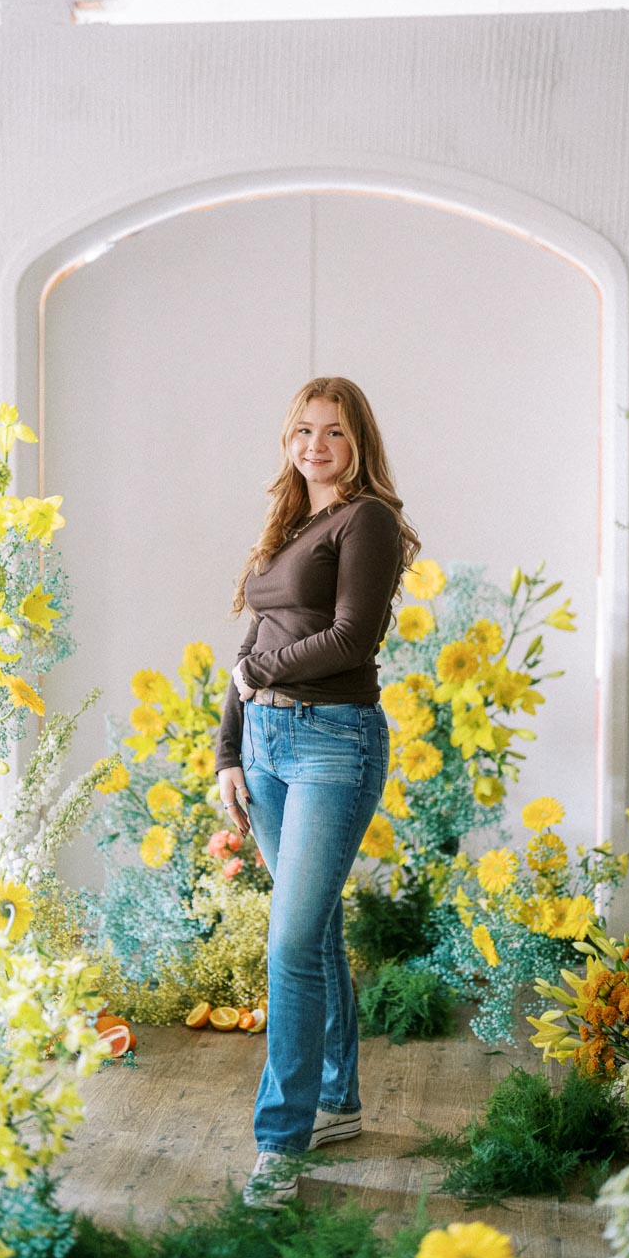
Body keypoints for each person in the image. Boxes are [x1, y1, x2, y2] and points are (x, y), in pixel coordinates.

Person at [214, 376, 420, 1208]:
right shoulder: (292, 524)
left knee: (291, 944)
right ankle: (337, 1099)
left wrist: (257, 675)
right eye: (303, 430)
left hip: (333, 744)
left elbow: (350, 638)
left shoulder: (366, 520)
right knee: (318, 930)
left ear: (358, 441)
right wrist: (229, 747)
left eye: (333, 432)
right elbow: (252, 638)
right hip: (265, 749)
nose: (315, 445)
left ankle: (280, 1144)